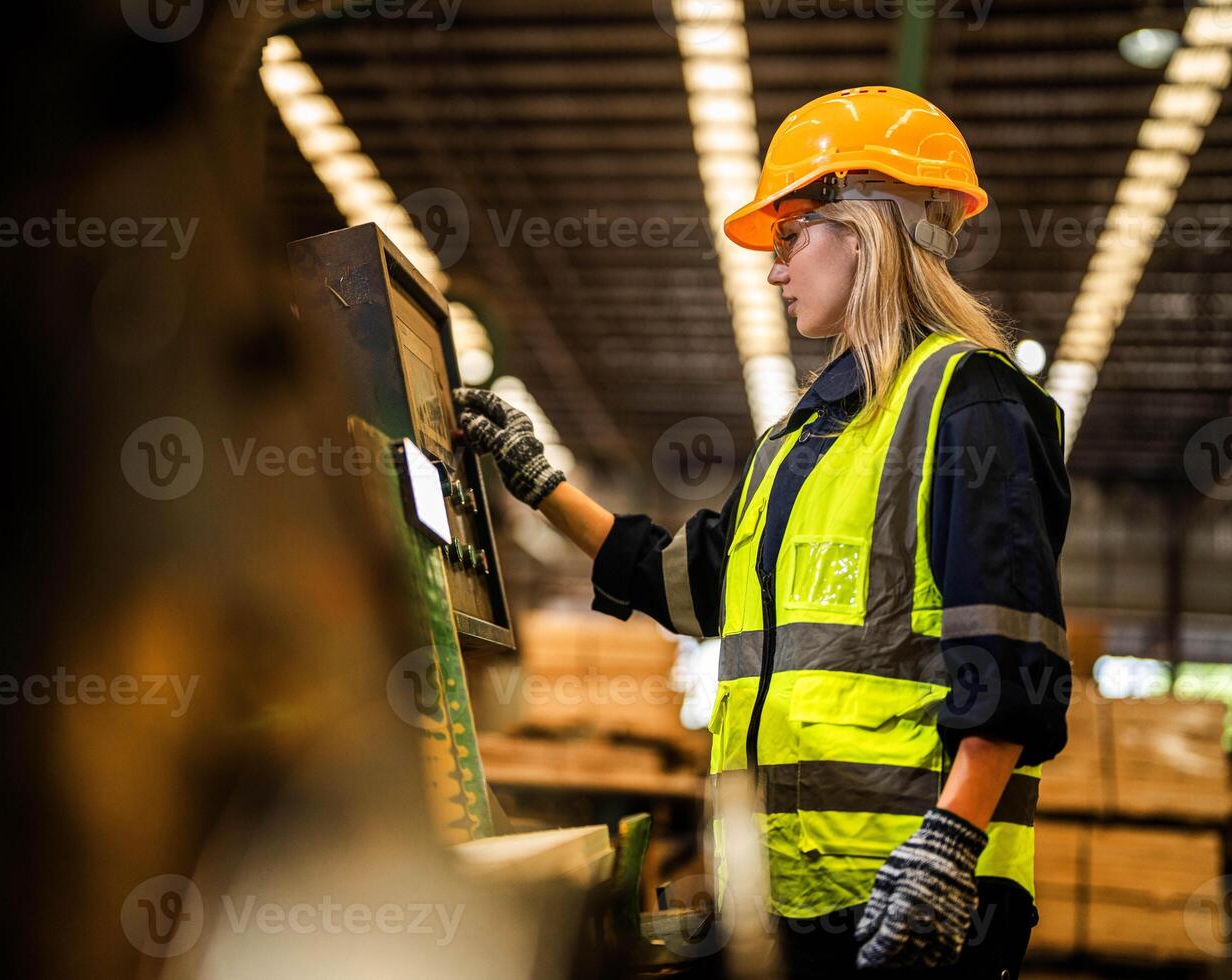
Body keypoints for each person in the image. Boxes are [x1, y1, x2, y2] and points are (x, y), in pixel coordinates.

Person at [455, 87, 1072, 978]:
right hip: (790, 902)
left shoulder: (969, 403)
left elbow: (1013, 661)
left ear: (864, 227)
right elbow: (701, 583)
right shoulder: (801, 439)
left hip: (916, 896)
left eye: (790, 237)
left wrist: (946, 850)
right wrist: (541, 486)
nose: (775, 269)